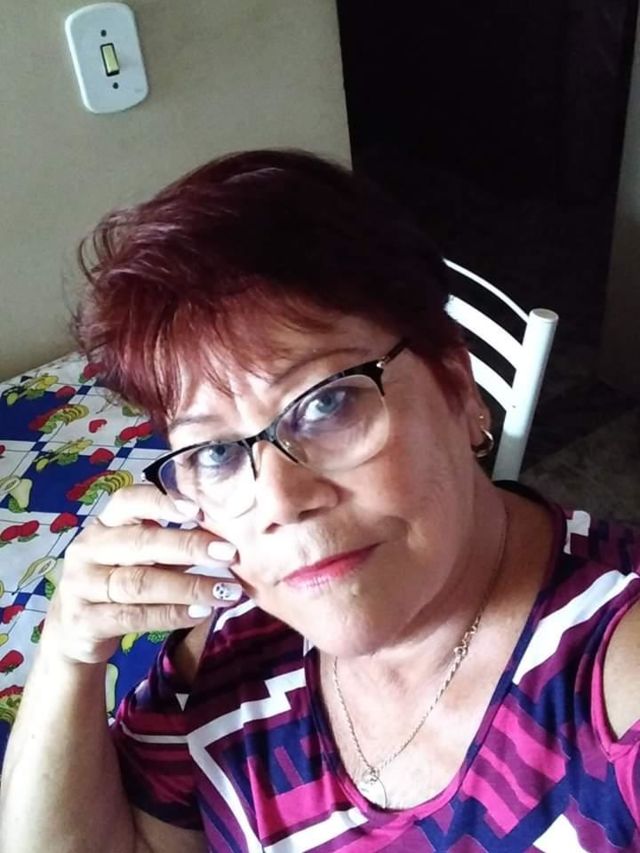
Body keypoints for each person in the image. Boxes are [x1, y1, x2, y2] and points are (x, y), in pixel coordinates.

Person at [1, 150, 638, 853]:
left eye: (328, 404)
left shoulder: (614, 688)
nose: (277, 498)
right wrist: (69, 652)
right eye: (216, 452)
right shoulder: (236, 641)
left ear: (459, 388)